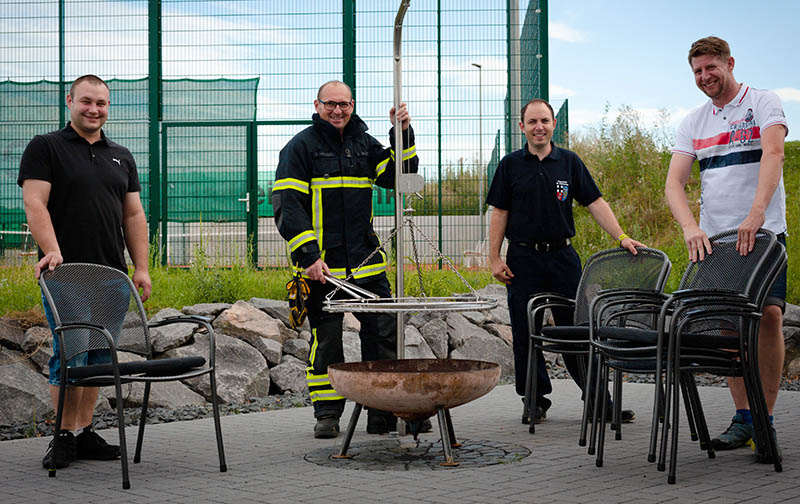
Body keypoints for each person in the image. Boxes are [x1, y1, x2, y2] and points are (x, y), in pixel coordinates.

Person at [272, 80, 421, 438]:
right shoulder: (300, 148)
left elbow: (403, 176)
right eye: (330, 104)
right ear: (317, 104)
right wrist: (308, 256)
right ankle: (327, 413)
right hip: (322, 271)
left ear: (352, 105)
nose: (337, 111)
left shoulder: (364, 143)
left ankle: (382, 411)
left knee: (383, 338)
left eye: (344, 104)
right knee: (327, 342)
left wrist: (402, 132)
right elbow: (287, 207)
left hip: (367, 266)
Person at [18, 74, 152, 469]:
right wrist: (52, 250)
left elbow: (133, 213)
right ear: (70, 101)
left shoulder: (121, 155)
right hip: (66, 273)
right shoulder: (46, 148)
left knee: (97, 357)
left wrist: (141, 267)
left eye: (102, 104)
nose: (94, 109)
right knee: (70, 353)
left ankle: (84, 432)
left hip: (112, 275)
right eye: (86, 102)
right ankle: (62, 436)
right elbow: (35, 203)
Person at [665, 36, 788, 457]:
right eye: (697, 72)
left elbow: (773, 154)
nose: (704, 77)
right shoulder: (694, 122)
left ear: (729, 63)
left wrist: (755, 215)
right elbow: (674, 182)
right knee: (727, 328)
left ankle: (766, 420)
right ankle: (744, 419)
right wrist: (689, 227)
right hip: (715, 242)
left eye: (710, 68)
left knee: (768, 316)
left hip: (764, 234)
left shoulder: (764, 103)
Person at [487, 98, 644, 424]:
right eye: (532, 122)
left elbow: (595, 202)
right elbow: (499, 212)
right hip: (522, 259)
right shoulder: (510, 165)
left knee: (579, 330)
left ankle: (600, 402)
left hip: (562, 258)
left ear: (553, 124)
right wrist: (494, 258)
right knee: (524, 331)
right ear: (522, 127)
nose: (538, 127)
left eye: (544, 120)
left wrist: (622, 236)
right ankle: (534, 401)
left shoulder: (569, 162)